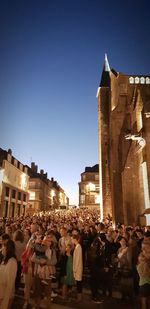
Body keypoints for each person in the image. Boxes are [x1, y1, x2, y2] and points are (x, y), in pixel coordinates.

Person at [0, 239, 17, 309]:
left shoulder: (12, 262)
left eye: (3, 246)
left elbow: (10, 283)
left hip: (5, 295)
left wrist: (5, 302)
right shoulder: (5, 260)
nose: (1, 249)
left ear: (7, 248)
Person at [72, 234, 83, 302]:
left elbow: (77, 259)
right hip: (77, 268)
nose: (72, 240)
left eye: (72, 239)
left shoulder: (78, 247)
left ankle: (79, 298)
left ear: (75, 239)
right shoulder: (77, 246)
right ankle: (78, 296)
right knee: (78, 283)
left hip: (77, 268)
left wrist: (75, 269)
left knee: (79, 283)